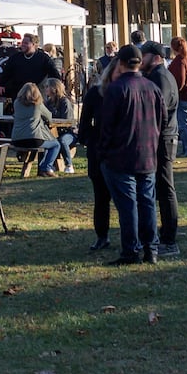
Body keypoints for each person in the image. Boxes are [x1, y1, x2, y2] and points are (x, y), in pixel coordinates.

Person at [98, 44, 162, 265]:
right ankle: (151, 249)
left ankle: (131, 251)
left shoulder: (116, 89)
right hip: (147, 155)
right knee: (147, 204)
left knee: (128, 207)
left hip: (121, 155)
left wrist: (104, 152)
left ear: (121, 63)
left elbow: (106, 126)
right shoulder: (152, 88)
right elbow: (160, 121)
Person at [139, 42, 182, 256]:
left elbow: (159, 111)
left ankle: (169, 240)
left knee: (165, 189)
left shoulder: (161, 77)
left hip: (162, 138)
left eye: (142, 55)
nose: (139, 60)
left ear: (154, 56)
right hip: (159, 137)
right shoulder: (156, 75)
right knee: (159, 188)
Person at [78, 58, 117, 252]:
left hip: (121, 150)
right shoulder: (96, 93)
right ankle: (102, 235)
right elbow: (84, 124)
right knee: (101, 197)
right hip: (100, 151)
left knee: (126, 198)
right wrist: (93, 140)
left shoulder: (127, 91)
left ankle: (133, 237)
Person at [10, 81, 57, 176]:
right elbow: (49, 116)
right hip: (34, 139)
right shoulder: (37, 104)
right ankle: (46, 168)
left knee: (45, 143)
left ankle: (43, 167)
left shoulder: (16, 103)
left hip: (16, 139)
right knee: (55, 144)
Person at [0, 33, 62, 101]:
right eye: (22, 43)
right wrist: (1, 84)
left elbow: (54, 73)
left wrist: (56, 87)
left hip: (38, 94)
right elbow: (7, 72)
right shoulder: (15, 57)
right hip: (19, 94)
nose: (23, 45)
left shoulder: (43, 58)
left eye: (26, 43)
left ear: (33, 44)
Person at [41, 77, 75, 173]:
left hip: (69, 132)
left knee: (62, 141)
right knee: (47, 141)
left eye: (48, 86)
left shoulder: (64, 102)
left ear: (54, 88)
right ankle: (47, 166)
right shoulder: (48, 102)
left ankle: (69, 165)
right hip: (53, 132)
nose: (45, 89)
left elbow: (67, 121)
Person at [169, 36, 187, 158]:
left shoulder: (179, 61)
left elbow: (180, 80)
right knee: (186, 123)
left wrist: (174, 92)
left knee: (184, 124)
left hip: (181, 96)